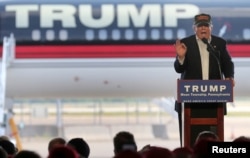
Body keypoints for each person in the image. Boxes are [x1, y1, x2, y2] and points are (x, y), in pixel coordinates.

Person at [174, 13, 235, 145]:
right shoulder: (186, 43)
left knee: (214, 136)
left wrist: (229, 77)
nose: (203, 29)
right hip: (192, 101)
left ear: (211, 28)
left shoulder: (219, 43)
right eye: (199, 26)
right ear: (194, 28)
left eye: (206, 26)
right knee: (193, 136)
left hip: (214, 100)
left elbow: (227, 63)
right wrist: (181, 57)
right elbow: (179, 69)